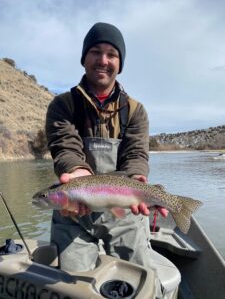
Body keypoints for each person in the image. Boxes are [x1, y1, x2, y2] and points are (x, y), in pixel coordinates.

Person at [45, 22, 166, 293]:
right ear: (84, 58)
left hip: (124, 213)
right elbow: (65, 146)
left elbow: (136, 153)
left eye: (111, 54)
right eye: (95, 52)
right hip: (73, 215)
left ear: (119, 63)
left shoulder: (135, 110)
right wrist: (77, 171)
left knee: (139, 283)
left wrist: (137, 178)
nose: (103, 60)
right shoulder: (63, 105)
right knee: (72, 287)